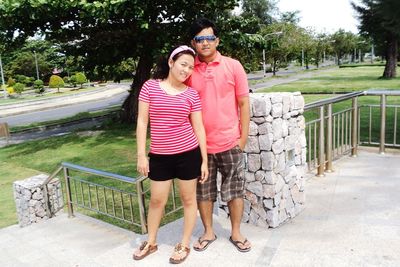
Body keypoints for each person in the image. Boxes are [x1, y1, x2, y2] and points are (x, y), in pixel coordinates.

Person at [133, 45, 208, 264]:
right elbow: (142, 121)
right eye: (183, 64)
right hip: (160, 156)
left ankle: (184, 243)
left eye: (191, 67)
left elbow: (199, 128)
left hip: (188, 154)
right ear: (171, 62)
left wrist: (203, 160)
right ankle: (151, 241)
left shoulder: (192, 94)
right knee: (157, 200)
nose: (186, 70)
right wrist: (140, 154)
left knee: (188, 199)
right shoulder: (150, 87)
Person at [186, 18, 251, 253]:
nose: (205, 43)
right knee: (204, 191)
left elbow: (244, 104)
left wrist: (242, 139)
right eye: (200, 39)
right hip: (199, 146)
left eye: (209, 38)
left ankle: (236, 232)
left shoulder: (233, 66)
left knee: (235, 190)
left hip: (229, 142)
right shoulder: (188, 69)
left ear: (217, 40)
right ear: (193, 43)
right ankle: (208, 232)